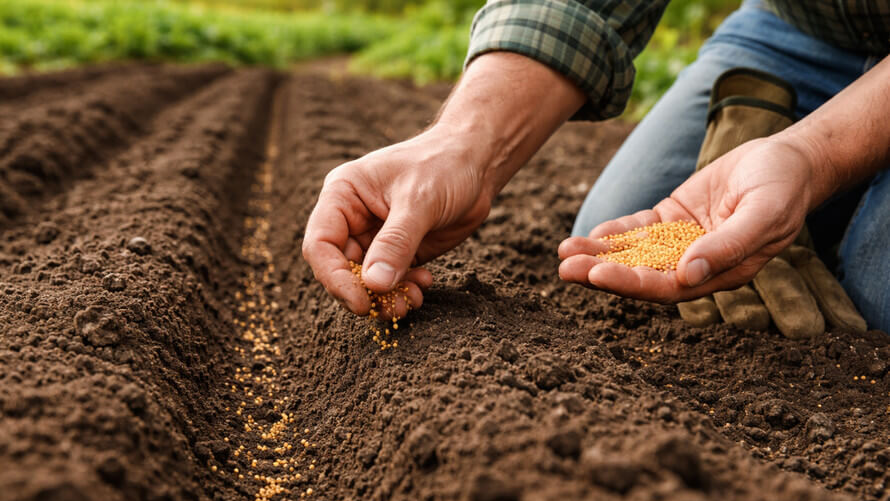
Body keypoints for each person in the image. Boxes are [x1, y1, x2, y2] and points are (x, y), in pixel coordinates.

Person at [302, 0, 890, 332]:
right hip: (800, 29)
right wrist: (461, 145)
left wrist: (815, 155)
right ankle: (757, 114)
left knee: (877, 293)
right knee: (615, 231)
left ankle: (822, 192)